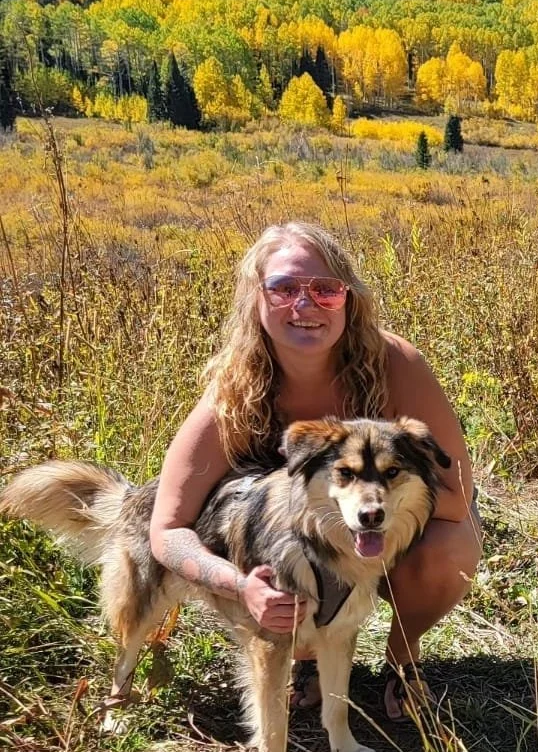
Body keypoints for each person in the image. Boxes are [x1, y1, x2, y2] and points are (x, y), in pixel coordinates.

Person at [146, 220, 481, 719]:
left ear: (349, 299)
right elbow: (168, 528)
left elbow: (455, 495)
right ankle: (306, 657)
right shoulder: (236, 387)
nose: (304, 306)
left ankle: (402, 659)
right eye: (283, 288)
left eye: (325, 290)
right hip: (290, 543)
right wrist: (242, 586)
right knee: (295, 569)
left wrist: (373, 526)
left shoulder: (395, 362)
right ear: (255, 299)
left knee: (451, 546)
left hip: (377, 524)